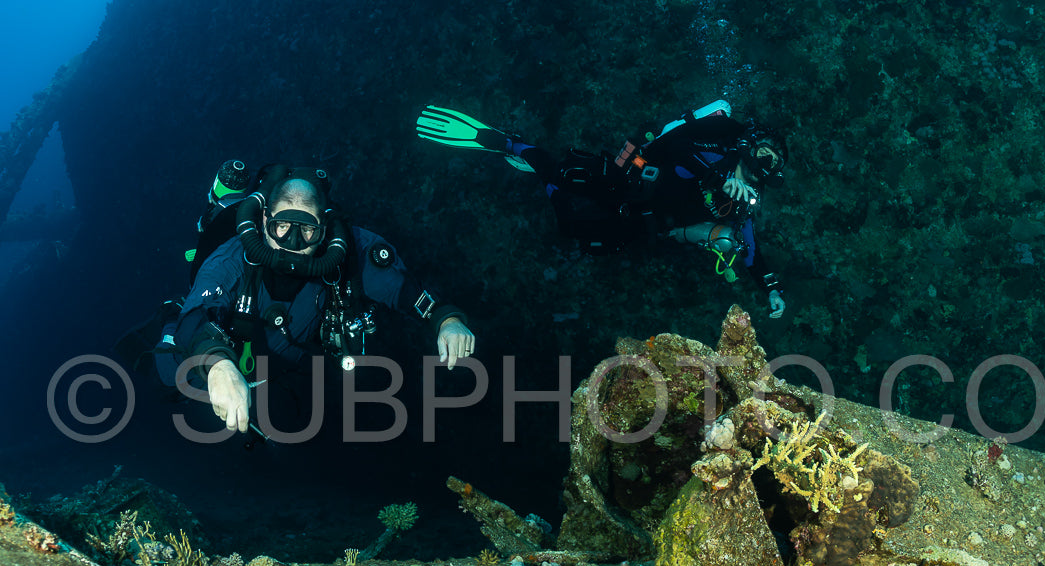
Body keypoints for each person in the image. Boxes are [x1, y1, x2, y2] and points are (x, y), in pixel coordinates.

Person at [169, 163, 475, 434]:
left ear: (324, 229)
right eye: (282, 227)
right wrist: (219, 365)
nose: (293, 243)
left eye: (307, 231)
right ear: (265, 222)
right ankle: (219, 209)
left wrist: (445, 320)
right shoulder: (231, 259)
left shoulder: (348, 251)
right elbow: (197, 315)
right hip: (231, 358)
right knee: (173, 385)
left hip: (293, 365)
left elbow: (403, 290)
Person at [416, 102, 789, 318]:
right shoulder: (717, 150)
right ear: (751, 144)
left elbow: (752, 248)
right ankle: (512, 144)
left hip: (644, 217)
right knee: (565, 175)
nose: (763, 161)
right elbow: (673, 144)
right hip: (632, 177)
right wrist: (712, 178)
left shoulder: (744, 200)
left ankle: (542, 178)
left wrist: (771, 289)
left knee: (571, 229)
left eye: (771, 163)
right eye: (764, 151)